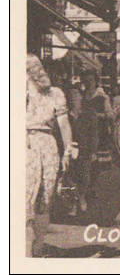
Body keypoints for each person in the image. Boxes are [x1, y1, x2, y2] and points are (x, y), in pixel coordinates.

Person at [26, 55, 74, 256]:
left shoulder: (55, 94)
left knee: (45, 199)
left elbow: (63, 124)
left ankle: (37, 247)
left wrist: (69, 149)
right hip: (24, 145)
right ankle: (24, 250)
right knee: (25, 198)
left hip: (46, 146)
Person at [74, 71, 112, 215]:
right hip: (84, 132)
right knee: (84, 162)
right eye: (86, 80)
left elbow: (110, 115)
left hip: (99, 132)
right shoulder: (81, 96)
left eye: (91, 80)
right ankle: (86, 189)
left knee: (96, 164)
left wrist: (98, 115)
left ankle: (91, 187)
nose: (88, 83)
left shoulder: (102, 97)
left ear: (96, 81)